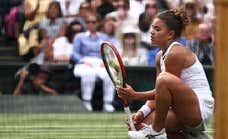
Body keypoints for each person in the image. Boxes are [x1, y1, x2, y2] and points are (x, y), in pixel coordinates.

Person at [116, 9, 214, 139]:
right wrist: (141, 112)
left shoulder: (175, 53)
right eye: (152, 28)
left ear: (170, 34)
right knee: (140, 123)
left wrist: (134, 95)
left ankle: (157, 131)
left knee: (163, 79)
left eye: (157, 29)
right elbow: (159, 93)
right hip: (181, 110)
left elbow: (162, 85)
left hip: (198, 111)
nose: (152, 32)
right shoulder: (159, 57)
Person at [71, 13, 115, 112]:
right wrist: (83, 61)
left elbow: (108, 52)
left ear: (98, 23)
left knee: (110, 74)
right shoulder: (79, 36)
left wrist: (106, 62)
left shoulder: (104, 37)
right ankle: (87, 102)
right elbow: (74, 53)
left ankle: (108, 103)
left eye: (93, 22)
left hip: (100, 62)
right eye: (88, 22)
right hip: (84, 62)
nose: (91, 24)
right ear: (86, 24)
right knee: (88, 73)